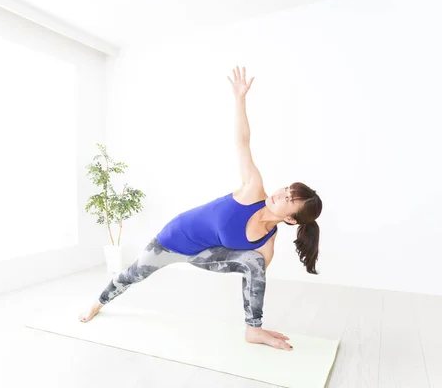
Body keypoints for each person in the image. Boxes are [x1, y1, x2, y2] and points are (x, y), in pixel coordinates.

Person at [78, 66, 323, 351]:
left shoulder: (267, 243)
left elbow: (253, 280)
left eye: (288, 199)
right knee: (132, 274)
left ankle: (253, 330)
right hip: (170, 241)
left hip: (202, 256)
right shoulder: (253, 189)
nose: (280, 193)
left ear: (291, 220)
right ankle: (97, 303)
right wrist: (240, 99)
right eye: (286, 189)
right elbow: (242, 142)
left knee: (256, 264)